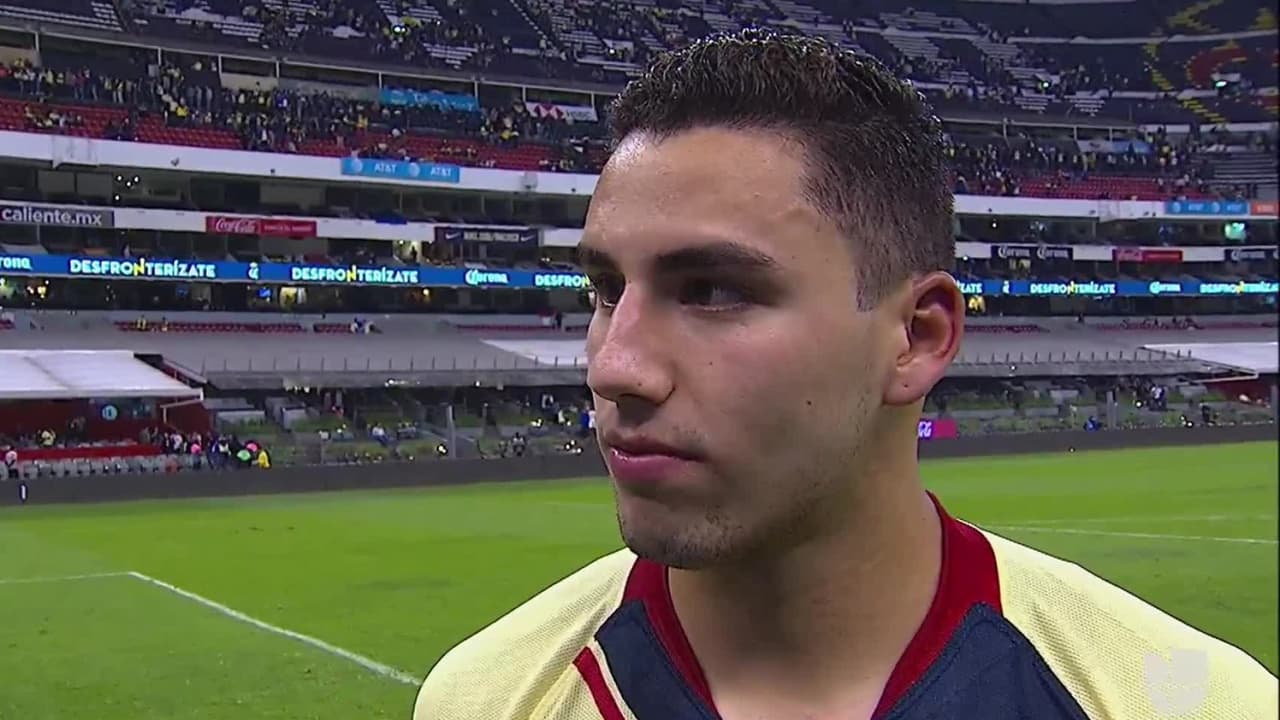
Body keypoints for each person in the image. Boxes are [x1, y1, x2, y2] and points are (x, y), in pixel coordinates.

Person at [415, 30, 1276, 720]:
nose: (613, 365)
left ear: (917, 336)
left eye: (711, 290)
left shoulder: (1188, 701)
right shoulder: (488, 697)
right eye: (605, 290)